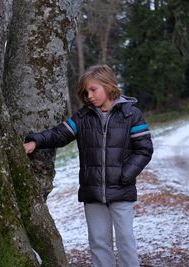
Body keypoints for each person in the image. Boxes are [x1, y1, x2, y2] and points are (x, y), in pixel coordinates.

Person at [23, 64, 153, 267]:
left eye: (93, 90)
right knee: (99, 243)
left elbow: (144, 150)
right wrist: (35, 141)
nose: (89, 95)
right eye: (86, 92)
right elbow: (59, 134)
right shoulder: (83, 117)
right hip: (92, 191)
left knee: (126, 241)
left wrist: (124, 175)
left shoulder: (131, 114)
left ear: (108, 85)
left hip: (122, 189)